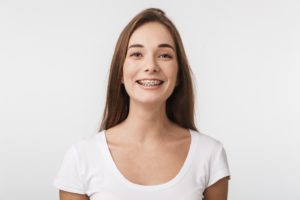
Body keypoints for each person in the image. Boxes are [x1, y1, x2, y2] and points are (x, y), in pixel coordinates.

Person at [53, 8, 230, 200]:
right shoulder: (82, 158)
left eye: (164, 55)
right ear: (120, 72)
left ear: (178, 74)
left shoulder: (209, 154)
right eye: (137, 54)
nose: (151, 66)